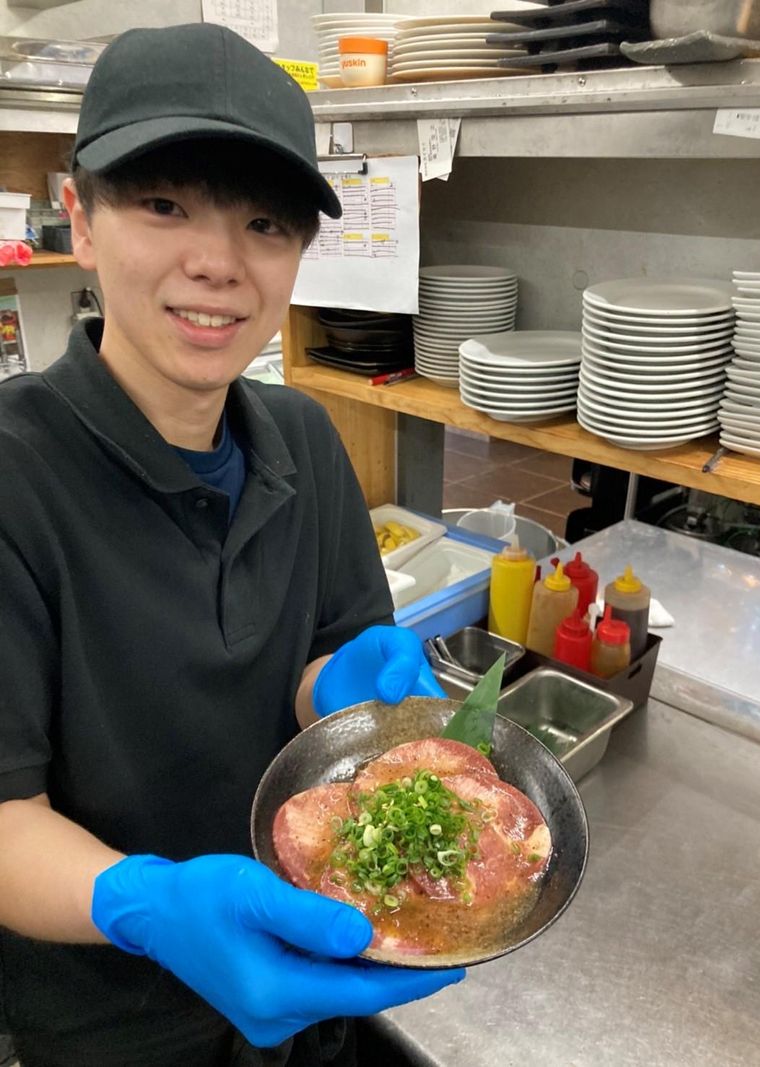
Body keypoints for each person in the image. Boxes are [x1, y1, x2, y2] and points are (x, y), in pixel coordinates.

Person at [0, 23, 464, 1067]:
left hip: (313, 956)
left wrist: (335, 686)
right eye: (163, 204)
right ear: (80, 217)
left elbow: (318, 673)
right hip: (110, 1019)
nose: (217, 263)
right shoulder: (16, 479)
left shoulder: (303, 436)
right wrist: (149, 902)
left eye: (263, 222)